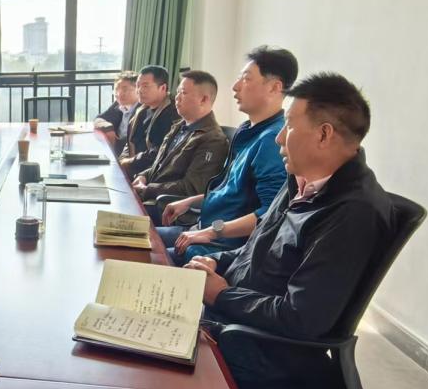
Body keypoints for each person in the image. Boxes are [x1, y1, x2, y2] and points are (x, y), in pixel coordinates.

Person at [186, 73, 393, 386]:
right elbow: (256, 249)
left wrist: (222, 295)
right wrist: (216, 261)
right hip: (234, 320)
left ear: (324, 134)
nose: (279, 138)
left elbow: (300, 318)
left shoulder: (353, 213)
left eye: (289, 126)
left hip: (266, 353)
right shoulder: (302, 179)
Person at [156, 46, 298, 264]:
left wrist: (212, 231)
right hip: (204, 229)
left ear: (274, 87)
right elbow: (229, 190)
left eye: (246, 79)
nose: (235, 86)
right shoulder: (248, 130)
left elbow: (269, 214)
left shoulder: (271, 140)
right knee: (140, 239)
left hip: (221, 249)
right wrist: (190, 201)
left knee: (145, 257)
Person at [131, 70, 229, 223]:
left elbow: (191, 188)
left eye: (183, 93)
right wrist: (143, 176)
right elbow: (160, 166)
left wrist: (147, 189)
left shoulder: (212, 139)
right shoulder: (179, 126)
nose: (177, 97)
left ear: (203, 99)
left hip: (166, 209)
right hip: (150, 198)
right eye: (177, 92)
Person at [118, 65, 180, 173]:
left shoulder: (172, 114)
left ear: (163, 88)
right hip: (132, 169)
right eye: (138, 86)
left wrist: (127, 163)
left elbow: (157, 153)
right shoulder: (141, 109)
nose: (140, 90)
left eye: (145, 86)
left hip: (151, 174)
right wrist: (121, 161)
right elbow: (130, 142)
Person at [93, 73, 139, 151]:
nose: (119, 93)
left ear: (138, 90)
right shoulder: (118, 105)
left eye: (125, 89)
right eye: (116, 89)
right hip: (115, 149)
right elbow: (100, 118)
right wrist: (107, 127)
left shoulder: (143, 111)